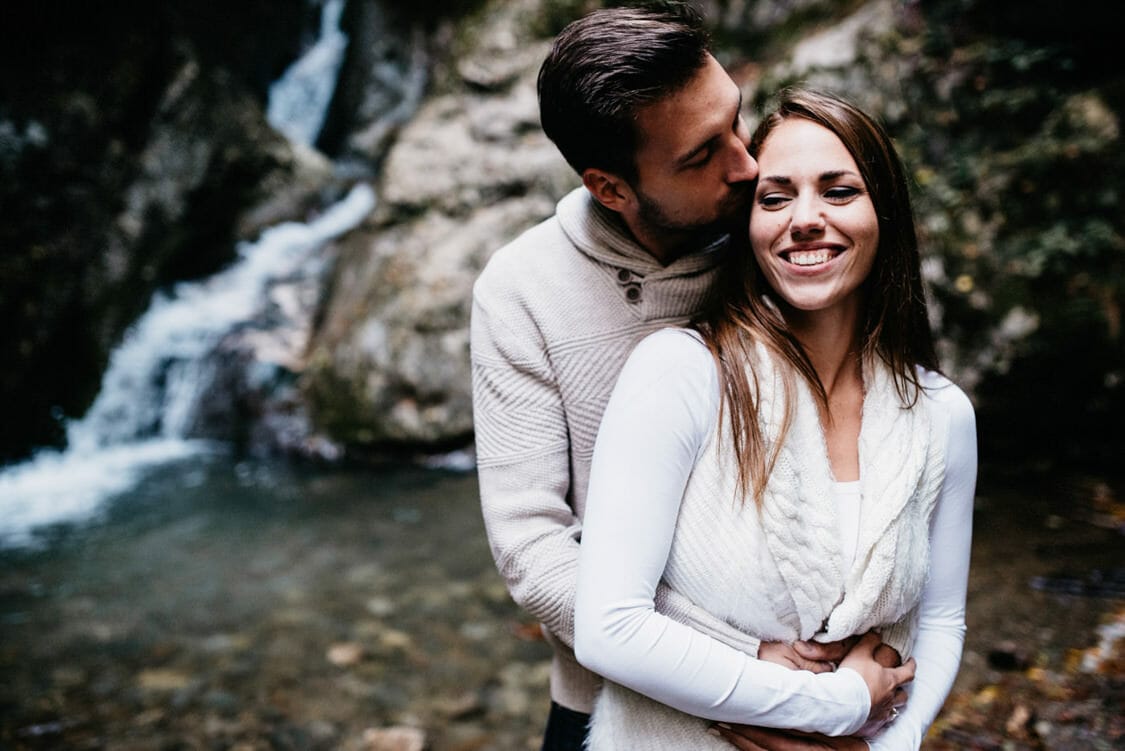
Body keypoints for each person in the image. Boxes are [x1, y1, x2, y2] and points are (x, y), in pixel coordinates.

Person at [470, 6, 897, 749]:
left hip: (823, 677)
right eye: (702, 156)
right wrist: (733, 670)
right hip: (611, 701)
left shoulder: (776, 239)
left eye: (736, 121)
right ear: (610, 188)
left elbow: (883, 448)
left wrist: (868, 653)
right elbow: (531, 545)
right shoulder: (521, 290)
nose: (746, 165)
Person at [573, 87, 978, 750]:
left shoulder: (940, 414)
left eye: (838, 191)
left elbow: (940, 620)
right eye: (775, 196)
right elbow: (609, 626)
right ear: (748, 224)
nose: (805, 219)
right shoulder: (681, 373)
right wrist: (831, 705)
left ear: (885, 211)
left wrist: (882, 746)